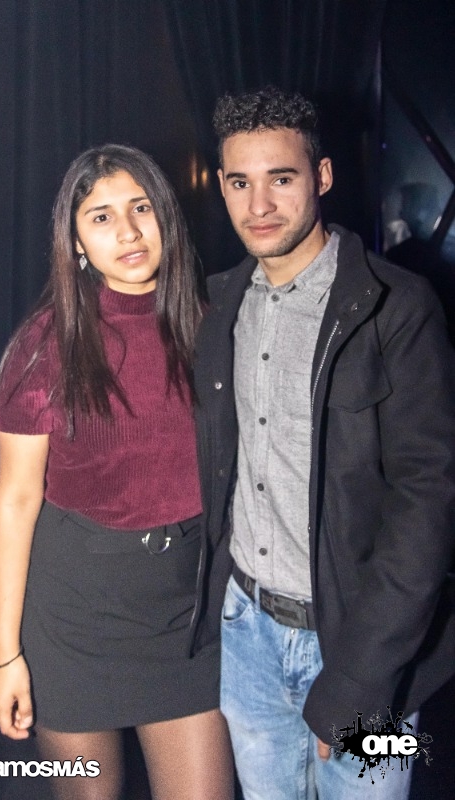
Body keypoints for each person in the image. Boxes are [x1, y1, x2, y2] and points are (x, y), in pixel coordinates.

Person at [193, 86, 455, 800]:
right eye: (240, 182)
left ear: (323, 176)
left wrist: (359, 678)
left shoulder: (395, 307)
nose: (259, 205)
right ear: (221, 185)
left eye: (281, 178)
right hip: (246, 637)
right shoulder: (218, 306)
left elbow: (427, 502)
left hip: (363, 645)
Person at [0, 144, 234, 800]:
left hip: (186, 617)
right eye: (101, 217)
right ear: (75, 241)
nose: (127, 231)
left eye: (141, 208)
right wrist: (5, 657)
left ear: (166, 218)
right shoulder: (45, 345)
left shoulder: (214, 327)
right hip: (75, 619)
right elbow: (15, 502)